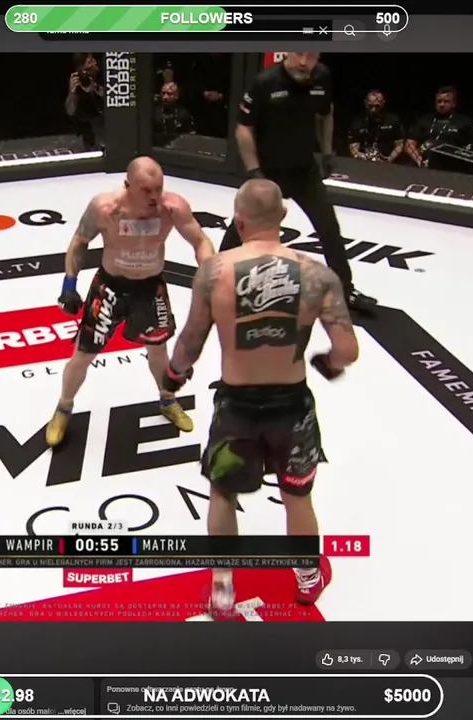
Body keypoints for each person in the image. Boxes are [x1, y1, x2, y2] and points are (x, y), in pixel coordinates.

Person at [161, 179, 359, 619]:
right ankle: (307, 577)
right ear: (283, 218)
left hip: (237, 405)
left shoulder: (215, 272)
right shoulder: (317, 275)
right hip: (292, 406)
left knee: (223, 493)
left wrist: (173, 376)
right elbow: (347, 350)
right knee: (297, 496)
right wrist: (327, 365)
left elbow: (190, 342)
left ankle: (223, 589)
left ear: (239, 220)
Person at [47, 157, 216, 447]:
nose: (154, 197)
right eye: (146, 190)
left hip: (149, 288)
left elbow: (200, 241)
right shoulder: (105, 208)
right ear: (127, 186)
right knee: (83, 353)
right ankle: (63, 407)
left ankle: (167, 399)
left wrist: (209, 274)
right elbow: (80, 241)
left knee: (158, 350)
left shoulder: (172, 208)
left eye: (158, 189)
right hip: (110, 287)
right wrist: (69, 284)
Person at [226, 52, 376, 313]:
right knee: (242, 226)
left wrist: (327, 152)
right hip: (269, 171)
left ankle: (346, 290)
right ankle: (217, 279)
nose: (304, 62)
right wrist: (254, 172)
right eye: (299, 53)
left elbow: (325, 113)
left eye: (311, 55)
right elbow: (243, 128)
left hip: (304, 170)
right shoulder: (266, 82)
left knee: (329, 228)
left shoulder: (322, 77)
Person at [406, 86, 473, 166]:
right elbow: (410, 143)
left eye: (446, 101)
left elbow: (471, 148)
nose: (442, 104)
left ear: (454, 104)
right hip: (421, 160)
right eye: (439, 101)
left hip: (450, 163)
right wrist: (418, 159)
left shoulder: (465, 122)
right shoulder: (424, 120)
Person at [347, 90, 404, 163]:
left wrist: (389, 159)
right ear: (365, 103)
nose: (373, 110)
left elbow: (399, 144)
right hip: (363, 160)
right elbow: (353, 148)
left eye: (377, 106)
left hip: (387, 159)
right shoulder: (357, 122)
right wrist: (364, 157)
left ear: (383, 103)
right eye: (370, 106)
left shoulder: (393, 120)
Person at [66, 53, 105, 149]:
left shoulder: (104, 76)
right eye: (86, 71)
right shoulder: (78, 81)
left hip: (105, 125)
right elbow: (70, 111)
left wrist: (96, 88)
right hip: (86, 130)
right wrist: (72, 92)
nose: (94, 64)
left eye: (93, 61)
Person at [152, 81, 195, 147]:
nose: (165, 97)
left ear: (176, 96)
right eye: (163, 93)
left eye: (169, 94)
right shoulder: (153, 112)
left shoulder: (183, 114)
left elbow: (191, 135)